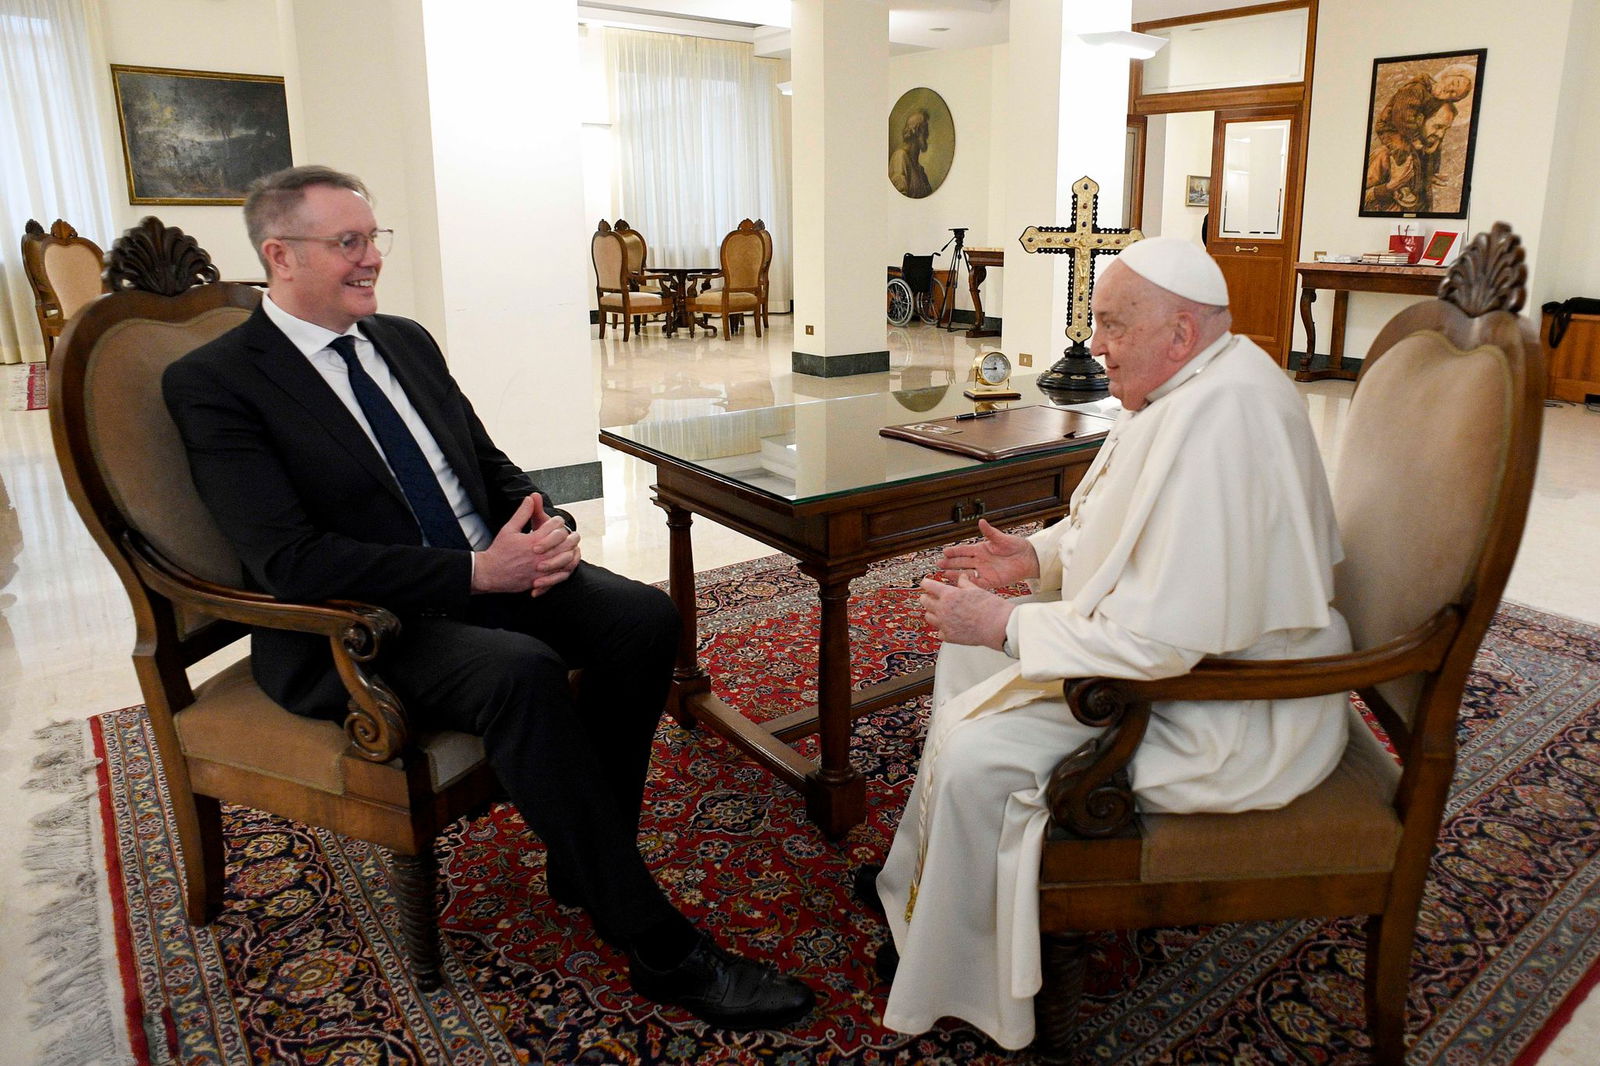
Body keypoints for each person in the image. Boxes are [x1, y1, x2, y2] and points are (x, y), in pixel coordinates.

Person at [162, 165, 814, 1031]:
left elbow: (482, 463)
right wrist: (477, 576)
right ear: (279, 255)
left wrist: (546, 524)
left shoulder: (403, 340)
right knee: (521, 670)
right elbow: (292, 561)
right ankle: (659, 946)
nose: (372, 261)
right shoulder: (219, 381)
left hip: (484, 570)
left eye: (373, 239)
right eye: (347, 243)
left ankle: (589, 855)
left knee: (642, 618)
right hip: (359, 625)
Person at [869, 238, 1352, 1050]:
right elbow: (1119, 526)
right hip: (1186, 658)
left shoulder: (1222, 422)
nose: (1095, 344)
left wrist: (1007, 622)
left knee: (985, 744)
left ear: (1181, 332)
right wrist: (1036, 558)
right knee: (966, 657)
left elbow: (1161, 646)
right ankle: (930, 885)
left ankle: (962, 968)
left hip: (1227, 707)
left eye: (1112, 325)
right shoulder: (1192, 385)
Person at [889, 108, 933, 199]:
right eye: (925, 129)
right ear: (916, 131)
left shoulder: (920, 171)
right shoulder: (900, 157)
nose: (928, 134)